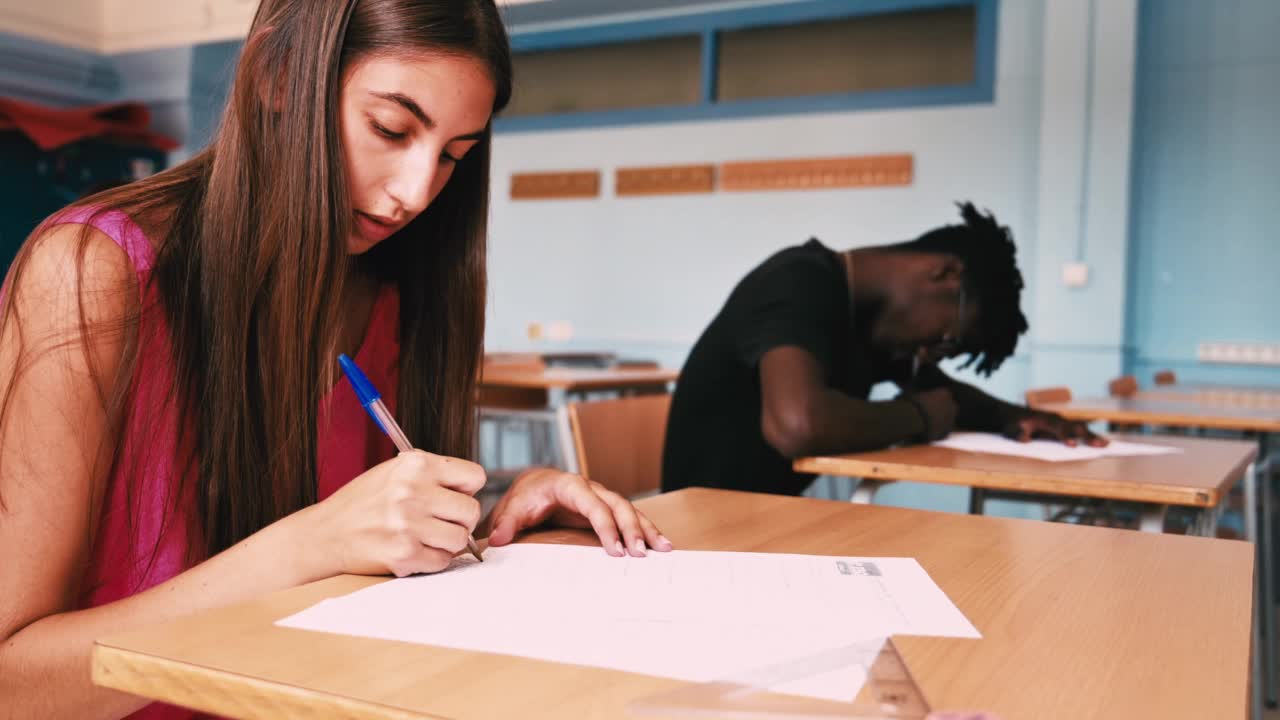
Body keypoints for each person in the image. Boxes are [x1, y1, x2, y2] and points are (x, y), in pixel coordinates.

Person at [0, 2, 669, 718]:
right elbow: (14, 686)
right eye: (391, 129)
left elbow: (368, 579)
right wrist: (309, 545)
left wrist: (493, 530)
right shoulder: (91, 275)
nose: (416, 193)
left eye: (452, 156)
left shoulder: (395, 291)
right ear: (280, 77)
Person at [663, 202, 1104, 496]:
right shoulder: (798, 282)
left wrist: (1016, 417)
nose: (932, 354)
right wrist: (920, 417)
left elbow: (945, 397)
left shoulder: (871, 328)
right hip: (700, 534)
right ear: (943, 274)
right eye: (947, 340)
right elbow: (797, 425)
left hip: (768, 521)